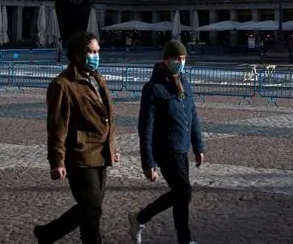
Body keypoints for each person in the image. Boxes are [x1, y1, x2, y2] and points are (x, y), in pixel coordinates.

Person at [34, 31, 119, 244]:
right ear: (77, 55)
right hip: (80, 154)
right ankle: (50, 233)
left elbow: (107, 118)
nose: (96, 56)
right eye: (91, 52)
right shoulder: (63, 85)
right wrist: (57, 161)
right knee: (92, 207)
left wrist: (113, 147)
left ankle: (48, 234)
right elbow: (57, 126)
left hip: (101, 153)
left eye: (97, 51)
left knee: (91, 209)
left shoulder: (98, 80)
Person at [128, 39, 205, 244]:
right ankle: (141, 216)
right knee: (184, 192)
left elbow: (193, 115)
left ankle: (184, 240)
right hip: (165, 149)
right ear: (165, 60)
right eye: (176, 59)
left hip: (182, 148)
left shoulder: (185, 82)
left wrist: (198, 146)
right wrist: (148, 161)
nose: (180, 62)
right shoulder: (153, 88)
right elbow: (145, 126)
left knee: (181, 197)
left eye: (183, 59)